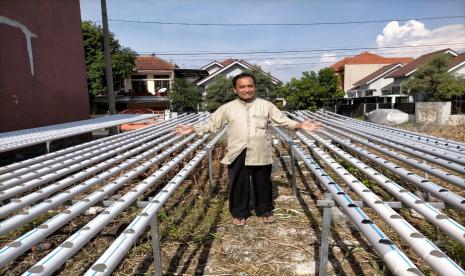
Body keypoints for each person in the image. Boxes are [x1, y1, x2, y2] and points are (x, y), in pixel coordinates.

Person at [175, 72, 319, 226]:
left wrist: (300, 125)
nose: (247, 89)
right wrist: (193, 128)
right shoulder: (227, 108)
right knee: (238, 182)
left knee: (262, 181)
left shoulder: (266, 105)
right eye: (242, 87)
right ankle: (239, 212)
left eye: (250, 86)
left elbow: (282, 120)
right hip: (237, 150)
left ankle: (265, 210)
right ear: (235, 90)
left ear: (255, 88)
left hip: (260, 149)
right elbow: (212, 124)